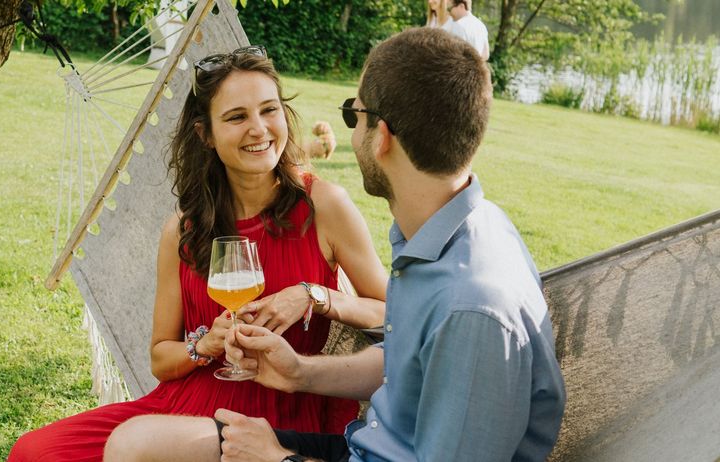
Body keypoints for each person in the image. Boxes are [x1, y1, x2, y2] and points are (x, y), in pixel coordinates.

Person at [103, 28, 566, 462]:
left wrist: (279, 458)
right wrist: (300, 372)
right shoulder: (446, 237)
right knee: (132, 444)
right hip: (361, 444)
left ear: (380, 136)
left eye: (353, 113)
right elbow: (403, 359)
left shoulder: (473, 310)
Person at [9, 46, 389, 462]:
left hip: (281, 413)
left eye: (269, 110)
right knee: (34, 452)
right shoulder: (184, 228)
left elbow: (395, 312)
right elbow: (161, 357)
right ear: (204, 134)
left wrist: (315, 296)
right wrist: (205, 346)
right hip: (182, 406)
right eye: (236, 117)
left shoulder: (324, 205)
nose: (259, 129)